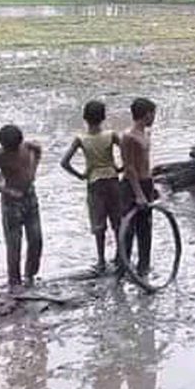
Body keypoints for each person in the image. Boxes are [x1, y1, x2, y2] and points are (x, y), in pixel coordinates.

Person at [60, 100, 122, 273]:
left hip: (94, 183)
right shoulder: (111, 135)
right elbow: (127, 151)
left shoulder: (81, 139)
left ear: (85, 118)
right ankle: (120, 256)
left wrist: (80, 175)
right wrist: (120, 168)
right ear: (103, 117)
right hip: (112, 179)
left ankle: (101, 260)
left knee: (98, 223)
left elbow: (64, 162)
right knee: (117, 221)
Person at [0, 125, 43, 289]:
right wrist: (6, 190)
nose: (14, 151)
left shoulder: (27, 146)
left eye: (16, 148)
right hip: (11, 202)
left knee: (36, 239)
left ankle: (30, 275)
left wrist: (34, 169)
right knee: (14, 244)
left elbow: (38, 149)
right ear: (3, 146)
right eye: (10, 149)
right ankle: (14, 281)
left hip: (30, 196)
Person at [120, 98, 157, 278]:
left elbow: (146, 163)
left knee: (146, 228)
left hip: (146, 182)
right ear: (147, 114)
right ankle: (123, 266)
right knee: (129, 229)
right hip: (132, 185)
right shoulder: (128, 137)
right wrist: (139, 194)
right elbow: (129, 167)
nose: (154, 118)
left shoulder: (146, 134)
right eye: (153, 114)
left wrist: (152, 186)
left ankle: (144, 266)